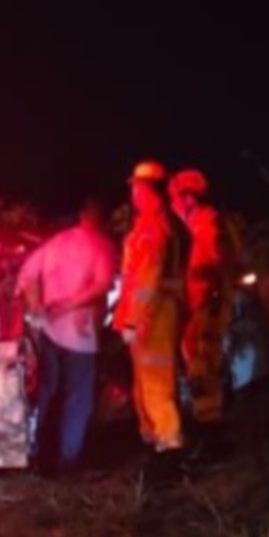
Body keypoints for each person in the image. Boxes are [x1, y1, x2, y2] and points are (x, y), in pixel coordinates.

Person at [15, 196, 117, 476]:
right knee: (78, 397)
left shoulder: (56, 242)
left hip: (50, 331)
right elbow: (104, 284)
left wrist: (37, 309)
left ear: (81, 214)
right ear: (102, 218)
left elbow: (26, 275)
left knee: (49, 392)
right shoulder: (102, 245)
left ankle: (40, 457)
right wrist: (70, 304)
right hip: (80, 334)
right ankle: (68, 461)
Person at [111, 160, 186, 466]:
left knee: (156, 380)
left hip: (155, 314)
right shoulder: (148, 223)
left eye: (138, 188)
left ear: (149, 190)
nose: (134, 194)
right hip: (145, 314)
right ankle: (155, 439)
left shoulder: (156, 227)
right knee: (143, 381)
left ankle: (171, 445)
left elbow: (148, 279)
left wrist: (133, 319)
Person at [168, 168, 239, 458]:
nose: (174, 206)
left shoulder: (207, 225)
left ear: (189, 198)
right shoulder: (201, 225)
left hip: (206, 306)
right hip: (201, 305)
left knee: (202, 367)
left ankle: (212, 436)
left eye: (176, 199)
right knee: (199, 365)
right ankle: (209, 427)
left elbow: (214, 267)